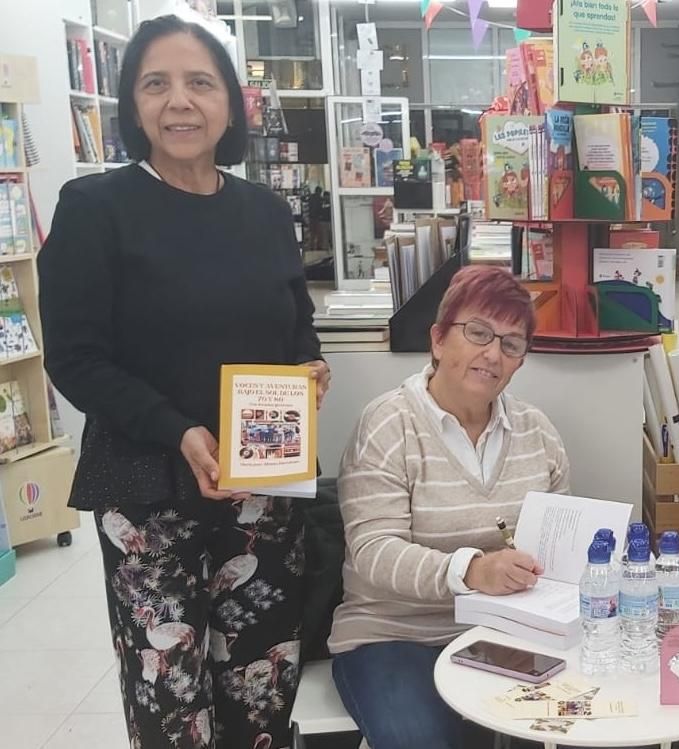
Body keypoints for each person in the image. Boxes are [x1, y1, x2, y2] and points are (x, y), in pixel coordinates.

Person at [37, 14, 330, 749]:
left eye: (199, 83)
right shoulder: (95, 209)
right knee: (171, 704)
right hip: (147, 494)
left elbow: (294, 323)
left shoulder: (264, 212)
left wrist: (308, 366)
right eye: (155, 84)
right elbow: (73, 358)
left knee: (262, 688)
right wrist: (179, 428)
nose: (179, 102)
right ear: (132, 105)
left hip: (264, 487)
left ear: (230, 102)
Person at [329, 265, 570, 749]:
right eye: (478, 332)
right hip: (394, 634)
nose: (492, 354)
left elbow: (558, 546)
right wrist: (471, 571)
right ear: (438, 340)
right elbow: (374, 551)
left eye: (511, 343)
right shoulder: (387, 424)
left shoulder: (536, 431)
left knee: (574, 724)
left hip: (509, 633)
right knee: (420, 740)